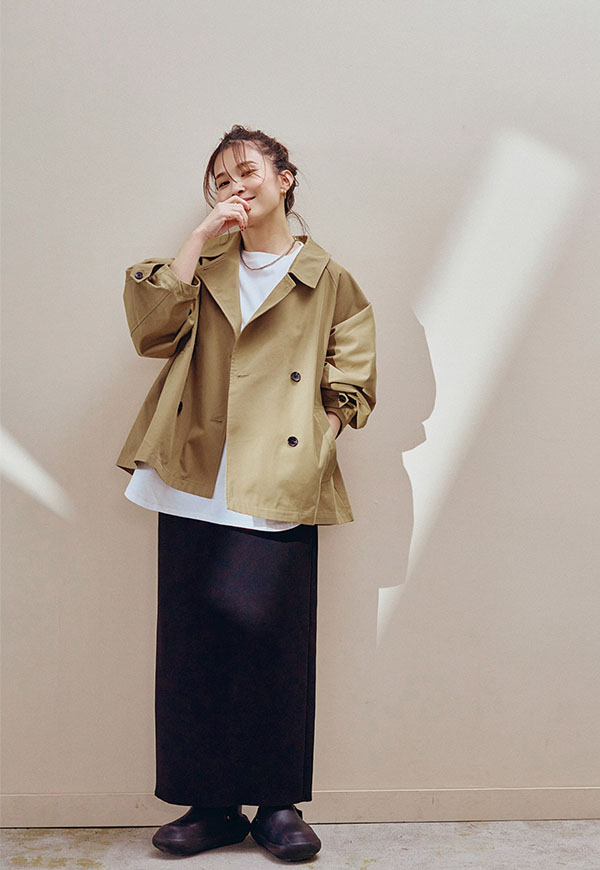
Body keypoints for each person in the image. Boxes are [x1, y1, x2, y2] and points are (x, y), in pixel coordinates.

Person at [115, 125, 377, 861]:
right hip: (194, 475)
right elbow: (151, 332)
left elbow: (353, 371)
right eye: (222, 179)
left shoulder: (327, 278)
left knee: (277, 650)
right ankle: (210, 805)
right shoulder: (202, 265)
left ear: (284, 178)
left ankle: (277, 805)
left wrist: (323, 432)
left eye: (249, 171)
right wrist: (200, 234)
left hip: (280, 478)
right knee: (194, 650)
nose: (236, 186)